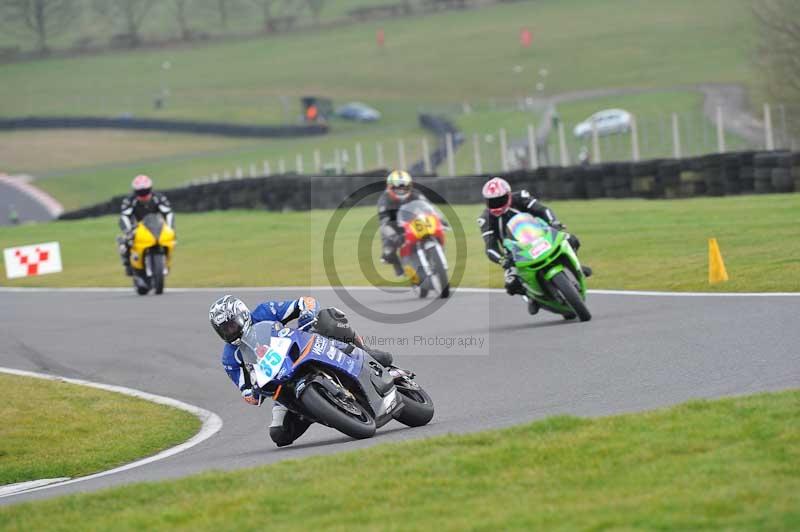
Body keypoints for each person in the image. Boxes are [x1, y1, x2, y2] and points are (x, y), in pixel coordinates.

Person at [209, 295, 393, 447]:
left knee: (327, 318)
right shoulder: (229, 358)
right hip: (281, 383)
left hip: (298, 350)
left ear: (243, 314)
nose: (230, 332)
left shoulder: (264, 312)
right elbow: (245, 390)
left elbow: (306, 302)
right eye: (224, 330)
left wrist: (306, 314)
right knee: (279, 435)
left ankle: (365, 350)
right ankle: (316, 409)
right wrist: (252, 392)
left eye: (232, 325)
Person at [477, 177, 591, 314]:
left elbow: (543, 210)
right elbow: (490, 247)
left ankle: (576, 265)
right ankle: (531, 297)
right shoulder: (485, 219)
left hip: (540, 235)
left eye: (499, 199)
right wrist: (502, 260)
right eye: (492, 201)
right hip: (514, 252)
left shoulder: (520, 197)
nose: (496, 204)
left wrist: (553, 222)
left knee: (571, 239)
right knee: (511, 284)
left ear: (508, 194)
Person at [117, 175, 174, 276]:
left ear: (150, 189)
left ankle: (166, 261)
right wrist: (128, 231)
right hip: (137, 227)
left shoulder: (159, 198)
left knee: (171, 240)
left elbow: (168, 213)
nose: (143, 195)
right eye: (140, 192)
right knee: (123, 242)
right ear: (135, 191)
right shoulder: (129, 200)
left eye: (146, 191)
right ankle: (128, 264)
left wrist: (170, 227)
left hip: (156, 226)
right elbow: (124, 216)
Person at [377, 170, 426, 276]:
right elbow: (384, 223)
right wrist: (394, 236)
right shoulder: (384, 199)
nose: (401, 190)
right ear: (390, 187)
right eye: (398, 187)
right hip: (393, 227)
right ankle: (398, 267)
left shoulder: (415, 194)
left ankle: (431, 256)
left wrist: (439, 218)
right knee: (388, 252)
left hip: (413, 222)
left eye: (404, 187)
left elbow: (428, 207)